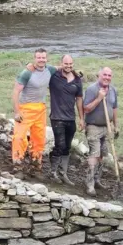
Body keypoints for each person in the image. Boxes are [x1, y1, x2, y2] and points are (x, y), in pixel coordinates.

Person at [11, 48, 57, 179]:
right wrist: (17, 111)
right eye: (39, 58)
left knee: (39, 138)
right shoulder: (27, 73)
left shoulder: (50, 69)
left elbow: (61, 68)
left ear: (46, 59)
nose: (41, 60)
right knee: (19, 137)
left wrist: (74, 73)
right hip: (25, 108)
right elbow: (15, 92)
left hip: (40, 109)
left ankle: (35, 166)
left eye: (43, 58)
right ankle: (18, 166)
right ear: (34, 58)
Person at [48, 55, 84, 186]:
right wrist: (57, 67)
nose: (68, 66)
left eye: (70, 64)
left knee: (67, 147)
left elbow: (79, 99)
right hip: (57, 117)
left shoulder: (77, 80)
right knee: (60, 145)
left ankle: (63, 173)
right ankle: (52, 173)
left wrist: (81, 118)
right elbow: (42, 66)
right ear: (61, 63)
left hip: (70, 118)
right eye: (65, 63)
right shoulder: (54, 75)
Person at [83, 67, 119, 196]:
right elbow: (86, 109)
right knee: (94, 153)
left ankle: (97, 179)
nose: (107, 77)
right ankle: (90, 184)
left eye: (109, 75)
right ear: (99, 75)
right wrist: (99, 98)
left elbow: (114, 108)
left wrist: (116, 125)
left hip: (106, 127)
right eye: (105, 74)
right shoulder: (92, 89)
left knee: (102, 154)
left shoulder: (113, 90)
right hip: (93, 126)